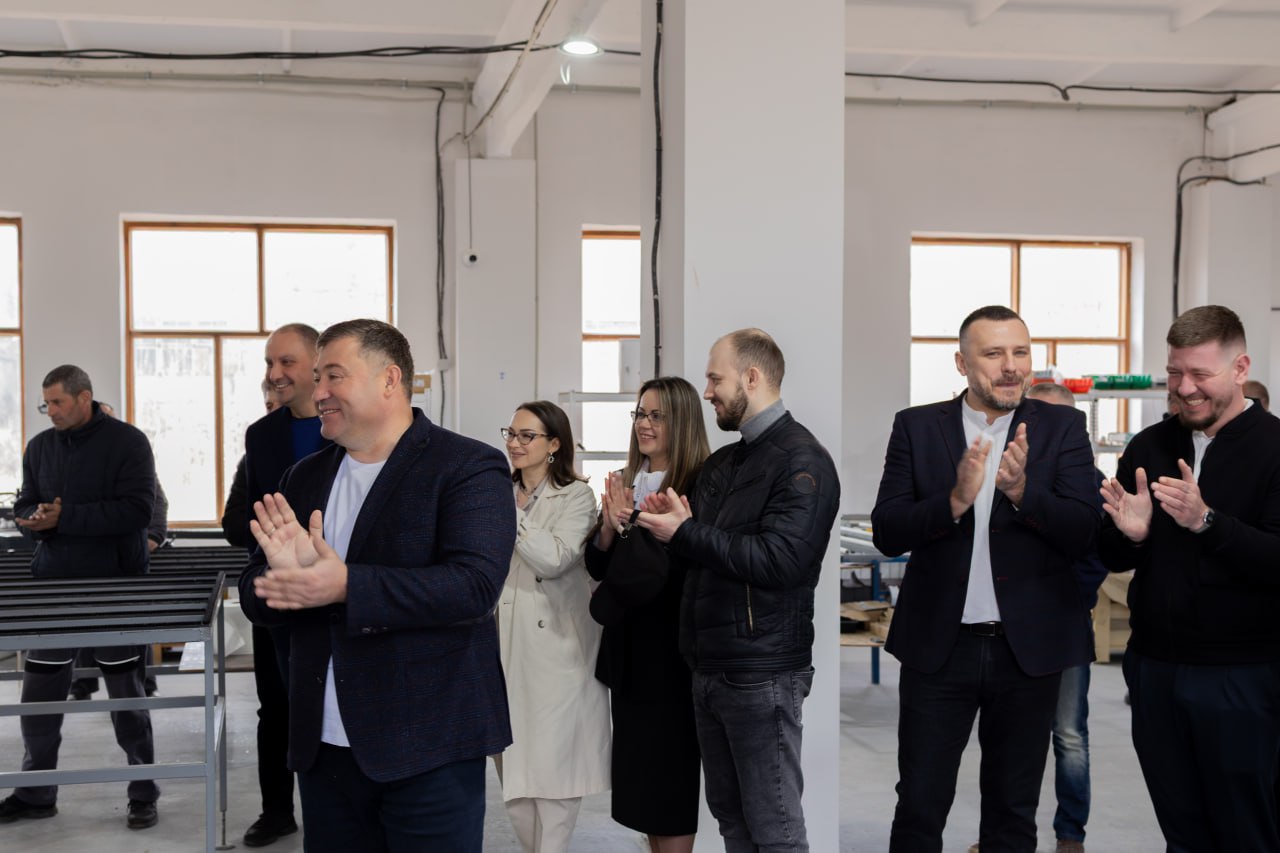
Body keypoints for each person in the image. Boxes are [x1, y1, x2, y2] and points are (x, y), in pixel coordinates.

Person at [238, 319, 515, 852]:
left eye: (333, 376)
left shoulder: (467, 466)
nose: (318, 391)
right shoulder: (304, 476)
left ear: (389, 379)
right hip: (323, 752)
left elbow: (474, 586)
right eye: (317, 377)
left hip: (428, 748)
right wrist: (282, 578)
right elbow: (254, 589)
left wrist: (346, 585)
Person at [871, 305, 1097, 853]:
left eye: (1020, 352)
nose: (1011, 366)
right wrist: (953, 501)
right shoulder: (917, 426)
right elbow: (888, 530)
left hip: (1029, 652)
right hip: (939, 648)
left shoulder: (1063, 427)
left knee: (1012, 810)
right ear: (962, 363)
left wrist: (1021, 493)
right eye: (994, 354)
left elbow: (1084, 529)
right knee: (920, 802)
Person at [627, 329, 840, 852]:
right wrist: (646, 527)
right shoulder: (724, 464)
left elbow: (782, 561)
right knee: (732, 820)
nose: (707, 392)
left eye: (715, 379)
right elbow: (698, 556)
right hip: (710, 667)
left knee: (774, 828)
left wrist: (685, 532)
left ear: (752, 377)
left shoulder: (802, 461)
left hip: (761, 674)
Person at [1099, 305, 1280, 851]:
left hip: (1242, 675)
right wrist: (1131, 535)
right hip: (1154, 668)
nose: (1184, 388)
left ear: (1240, 367)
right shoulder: (1149, 446)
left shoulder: (1274, 448)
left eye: (1201, 374)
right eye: (1175, 373)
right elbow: (1108, 552)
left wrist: (1208, 523)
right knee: (1181, 829)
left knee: (1247, 830)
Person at [1, 365, 160, 830]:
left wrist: (64, 518)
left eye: (58, 402)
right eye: (45, 403)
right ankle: (35, 792)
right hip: (55, 587)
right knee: (39, 694)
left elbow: (138, 511)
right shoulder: (40, 448)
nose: (50, 411)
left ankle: (143, 791)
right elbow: (25, 501)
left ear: (84, 398)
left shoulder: (129, 443)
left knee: (126, 694)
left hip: (115, 588)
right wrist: (33, 518)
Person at [967, 382, 1107, 853]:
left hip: (1061, 626)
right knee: (1005, 740)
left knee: (1068, 734)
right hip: (1010, 629)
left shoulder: (1087, 480)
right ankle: (998, 834)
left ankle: (1070, 834)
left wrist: (1061, 602)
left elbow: (1092, 555)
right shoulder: (1000, 473)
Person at [586, 376, 709, 853]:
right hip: (629, 655)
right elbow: (600, 566)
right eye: (640, 413)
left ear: (683, 421)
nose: (645, 424)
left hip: (670, 655)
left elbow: (674, 570)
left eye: (658, 415)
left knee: (669, 784)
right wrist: (608, 527)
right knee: (644, 790)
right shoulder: (628, 480)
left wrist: (632, 526)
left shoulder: (700, 483)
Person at [495, 400, 610, 853]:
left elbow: (555, 558)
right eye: (511, 433)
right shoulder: (497, 490)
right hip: (503, 650)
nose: (515, 443)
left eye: (528, 436)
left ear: (554, 444)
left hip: (558, 653)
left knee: (556, 778)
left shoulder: (577, 496)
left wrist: (511, 513)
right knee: (515, 779)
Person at [239, 324, 330, 848]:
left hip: (334, 586)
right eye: (269, 363)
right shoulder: (261, 435)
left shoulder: (344, 427)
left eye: (286, 362)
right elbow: (248, 515)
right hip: (276, 589)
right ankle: (276, 811)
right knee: (274, 707)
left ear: (316, 364)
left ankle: (332, 807)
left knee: (330, 702)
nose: (274, 374)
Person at [69, 400, 169, 701]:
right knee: (85, 621)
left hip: (127, 560)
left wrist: (153, 537)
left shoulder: (131, 457)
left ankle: (145, 685)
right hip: (88, 560)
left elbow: (157, 501)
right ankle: (81, 685)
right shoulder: (77, 461)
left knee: (134, 621)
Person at [221, 379, 280, 548]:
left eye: (284, 406)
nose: (276, 412)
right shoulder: (253, 457)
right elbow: (233, 525)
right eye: (270, 406)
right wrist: (272, 532)